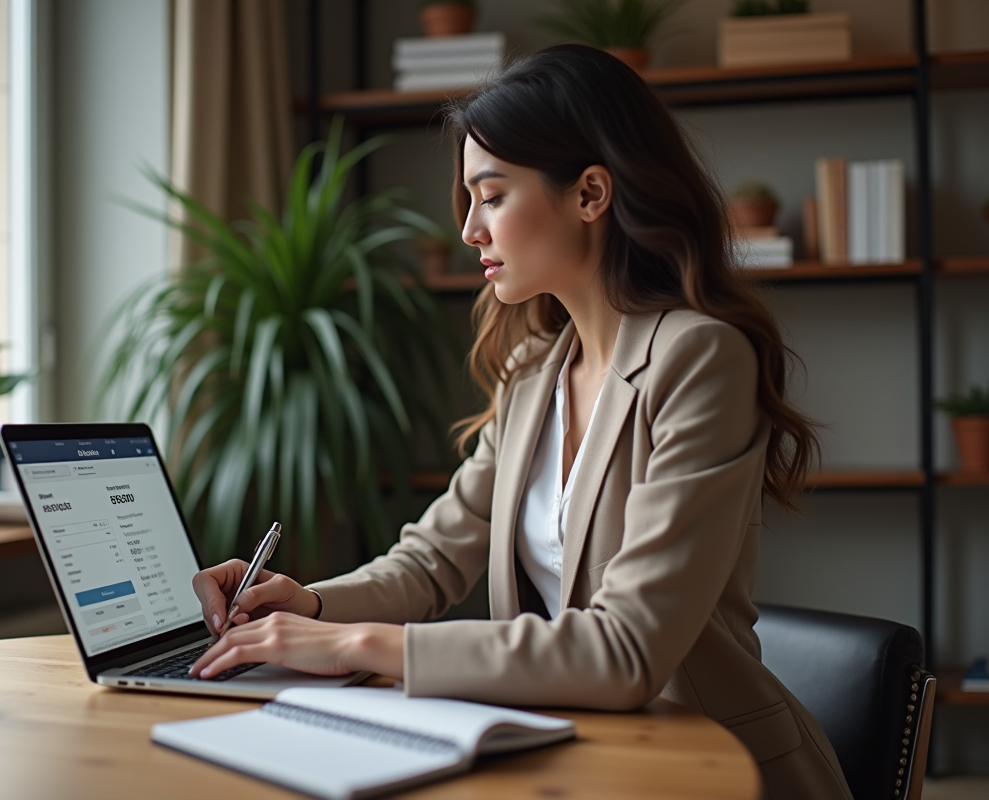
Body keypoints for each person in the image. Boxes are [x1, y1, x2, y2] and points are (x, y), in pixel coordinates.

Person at [189, 44, 852, 800]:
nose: (470, 228)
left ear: (591, 194)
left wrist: (353, 643)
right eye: (469, 200)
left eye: (492, 195)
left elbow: (626, 648)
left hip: (709, 769)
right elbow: (430, 564)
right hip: (575, 760)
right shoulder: (533, 373)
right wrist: (304, 603)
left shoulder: (700, 360)